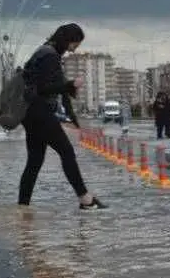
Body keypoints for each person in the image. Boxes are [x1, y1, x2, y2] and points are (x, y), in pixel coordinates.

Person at [18, 23, 107, 210]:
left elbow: (60, 90)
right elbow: (45, 88)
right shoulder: (50, 56)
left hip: (30, 113)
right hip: (39, 111)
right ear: (67, 40)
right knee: (66, 152)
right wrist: (72, 84)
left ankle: (22, 206)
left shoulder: (46, 52)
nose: (74, 49)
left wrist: (72, 113)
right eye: (75, 44)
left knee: (34, 160)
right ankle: (85, 199)